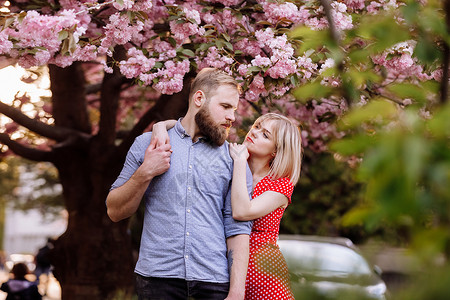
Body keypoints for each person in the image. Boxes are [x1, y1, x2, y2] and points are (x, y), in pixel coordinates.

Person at [106, 68, 253, 300]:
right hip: (157, 280)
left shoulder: (235, 159)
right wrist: (146, 171)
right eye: (225, 107)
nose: (232, 117)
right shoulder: (149, 144)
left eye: (233, 110)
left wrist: (236, 292)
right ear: (199, 99)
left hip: (213, 281)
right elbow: (115, 211)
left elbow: (237, 228)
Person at [229, 113, 302, 300]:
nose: (254, 132)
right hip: (230, 270)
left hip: (265, 278)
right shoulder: (230, 162)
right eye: (257, 127)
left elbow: (242, 212)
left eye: (265, 135)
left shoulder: (280, 185)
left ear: (276, 151)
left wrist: (239, 162)